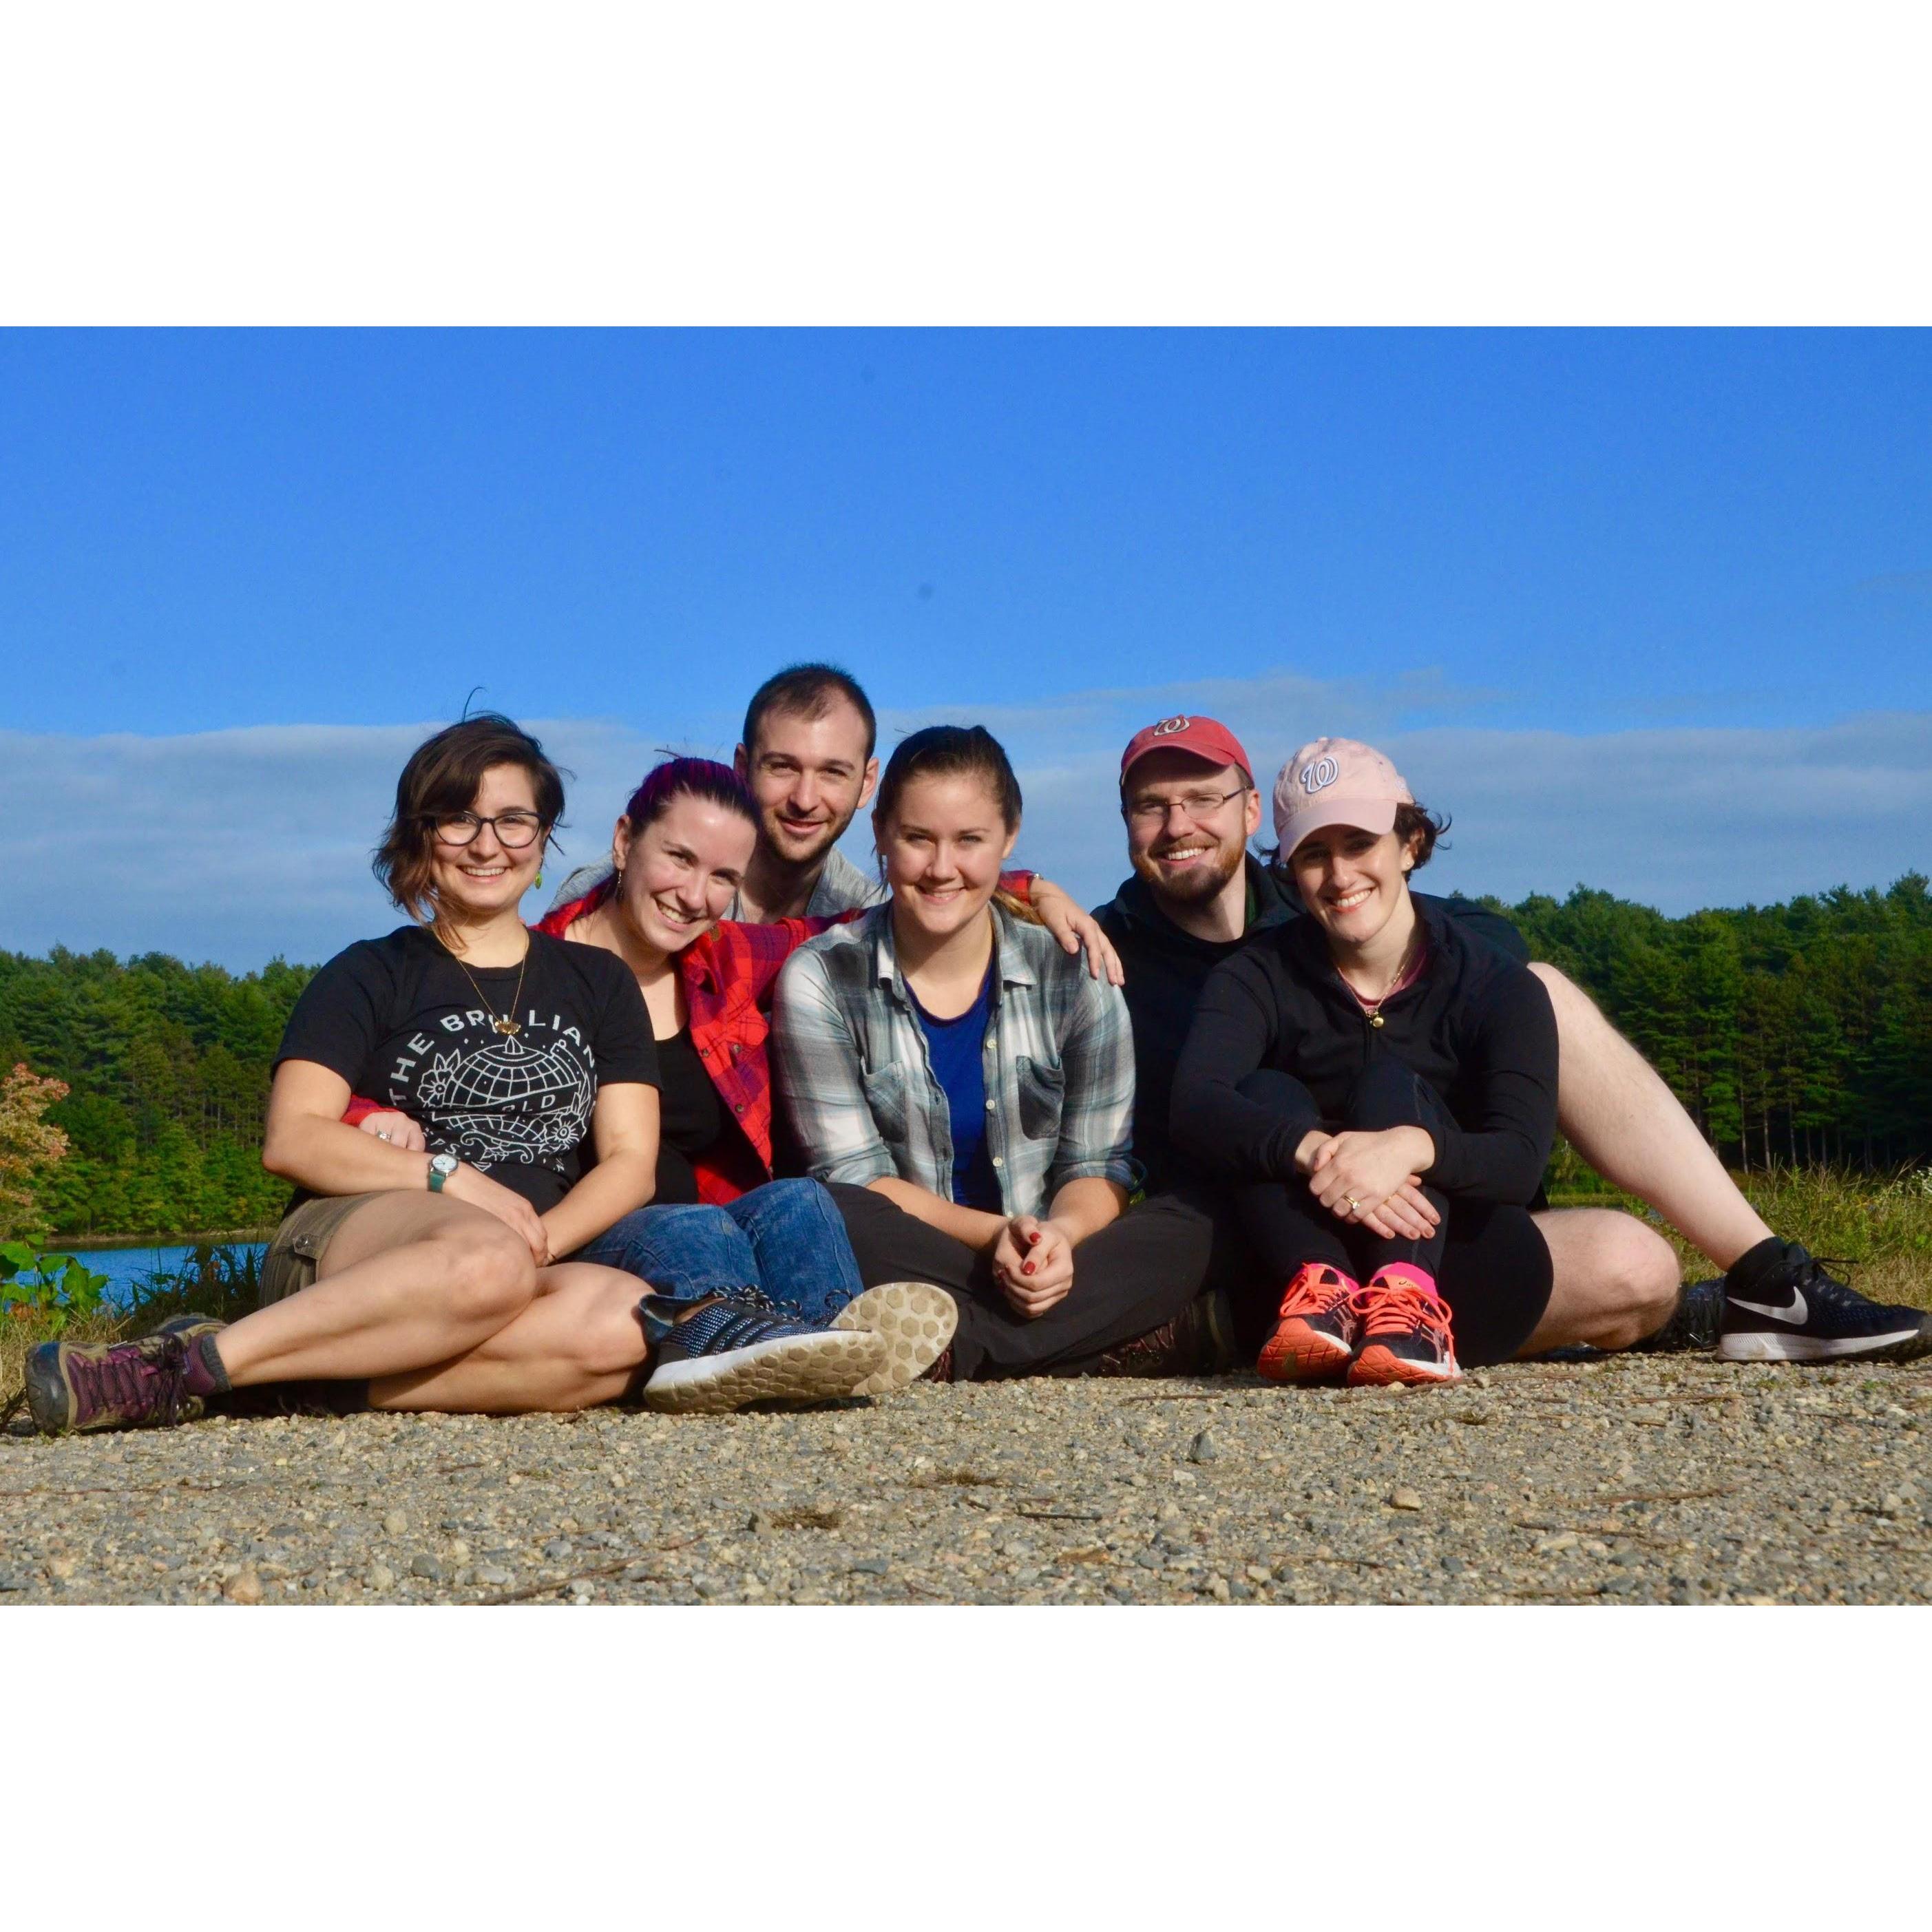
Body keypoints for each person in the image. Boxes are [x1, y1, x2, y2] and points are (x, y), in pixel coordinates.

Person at [24, 715, 885, 1436]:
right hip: (362, 1240)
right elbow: (293, 1139)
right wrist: (452, 1180)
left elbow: (629, 1158)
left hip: (523, 1250)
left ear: (544, 839)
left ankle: (303, 1384)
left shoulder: (597, 983)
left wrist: (543, 1237)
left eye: (514, 820)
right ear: (421, 834)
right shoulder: (369, 971)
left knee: (629, 1324)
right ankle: (186, 1364)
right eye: (459, 819)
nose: (487, 844)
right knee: (485, 1260)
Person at [1102, 715, 1932, 1365]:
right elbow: (974, 909)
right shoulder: (1101, 948)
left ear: (1251, 816)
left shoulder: (1321, 907)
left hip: (1420, 1206)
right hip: (1265, 1220)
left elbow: (1484, 966)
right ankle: (1246, 1325)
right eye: (1151, 803)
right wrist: (1032, 890)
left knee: (1628, 1242)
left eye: (1202, 796)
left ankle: (1766, 1279)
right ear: (1127, 822)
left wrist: (1414, 1130)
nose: (1179, 822)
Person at [357, 752, 1124, 1402]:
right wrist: (368, 1116)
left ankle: (835, 1349)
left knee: (801, 1200)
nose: (695, 895)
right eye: (679, 859)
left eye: (723, 875)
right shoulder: (539, 969)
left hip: (716, 1222)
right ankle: (735, 1348)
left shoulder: (727, 957)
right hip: (585, 1223)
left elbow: (896, 913)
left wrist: (1024, 888)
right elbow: (427, 1055)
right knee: (697, 1223)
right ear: (625, 841)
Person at [774, 725, 1232, 1383]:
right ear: (878, 833)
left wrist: (1061, 1240)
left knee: (1201, 1218)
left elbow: (1097, 1162)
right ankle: (1097, 1340)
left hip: (1048, 1254)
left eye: (969, 841)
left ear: (1009, 837)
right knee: (827, 1212)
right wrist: (994, 1236)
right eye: (916, 839)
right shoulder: (821, 977)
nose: (941, 868)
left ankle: (964, 1345)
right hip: (918, 1251)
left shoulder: (1078, 972)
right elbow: (856, 1176)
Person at [1174, 738, 1606, 1383]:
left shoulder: (1498, 984)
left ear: (1409, 844)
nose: (1340, 876)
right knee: (1262, 1091)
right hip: (1292, 1259)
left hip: (1457, 1254)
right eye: (1314, 855)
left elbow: (1517, 1160)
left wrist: (1410, 1149)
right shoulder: (1254, 975)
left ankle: (1408, 1305)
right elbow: (1194, 1105)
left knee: (1391, 1089)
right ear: (1290, 871)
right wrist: (1322, 1152)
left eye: (1359, 845)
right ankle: (1323, 1306)